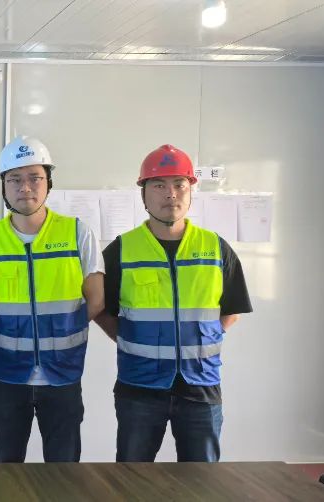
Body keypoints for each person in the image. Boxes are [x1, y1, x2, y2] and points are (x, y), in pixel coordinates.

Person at [94, 144, 252, 462]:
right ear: (143, 194)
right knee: (132, 476)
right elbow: (101, 310)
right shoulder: (121, 250)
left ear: (191, 190)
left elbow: (232, 310)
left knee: (201, 479)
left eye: (179, 184)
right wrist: (131, 341)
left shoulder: (215, 248)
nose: (171, 194)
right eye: (159, 185)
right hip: (139, 386)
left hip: (200, 386)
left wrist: (201, 340)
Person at [0, 136, 103, 463]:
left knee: (63, 468)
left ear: (48, 182)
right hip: (6, 375)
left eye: (35, 177)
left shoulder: (77, 233)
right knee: (6, 465)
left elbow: (96, 299)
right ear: (3, 186)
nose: (25, 187)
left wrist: (62, 329)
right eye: (14, 179)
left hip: (63, 374)